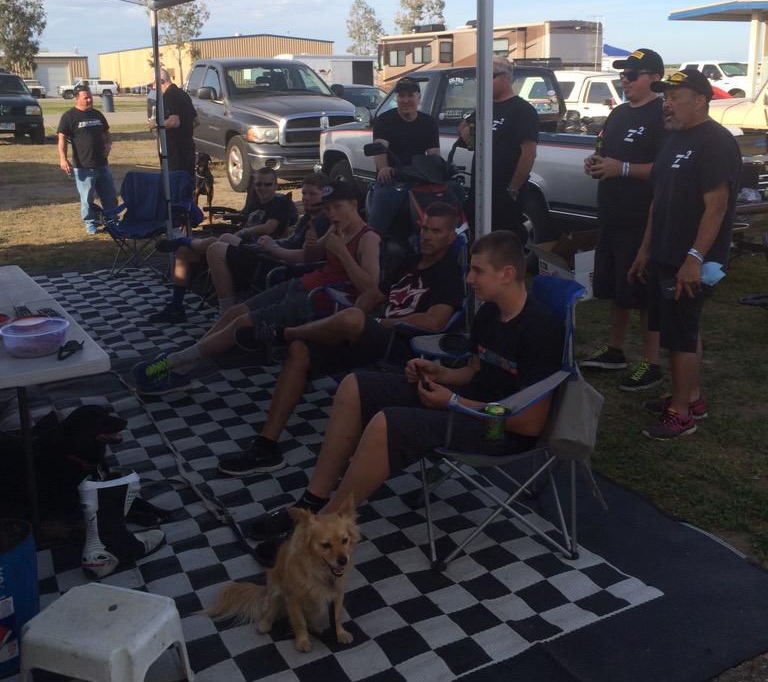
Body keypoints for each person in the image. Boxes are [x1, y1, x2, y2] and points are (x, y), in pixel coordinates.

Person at [248, 230, 563, 565]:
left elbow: (528, 423)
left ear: (508, 274)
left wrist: (453, 402)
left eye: (477, 271)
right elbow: (473, 372)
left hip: (500, 430)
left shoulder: (541, 329)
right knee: (357, 386)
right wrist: (439, 372)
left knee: (390, 424)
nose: (469, 278)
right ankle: (314, 499)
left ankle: (321, 530)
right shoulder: (488, 313)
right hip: (469, 405)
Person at [216, 202, 466, 476]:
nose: (427, 236)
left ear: (451, 236)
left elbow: (435, 321)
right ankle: (266, 446)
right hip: (368, 335)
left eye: (437, 231)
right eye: (425, 229)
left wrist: (374, 321)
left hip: (401, 347)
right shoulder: (410, 262)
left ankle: (280, 333)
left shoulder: (449, 274)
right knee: (300, 350)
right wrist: (353, 314)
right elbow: (375, 294)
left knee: (351, 319)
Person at [134, 180, 381, 394]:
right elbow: (309, 256)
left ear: (354, 204)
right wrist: (311, 243)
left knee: (243, 323)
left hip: (320, 300)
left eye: (338, 207)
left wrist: (342, 254)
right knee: (235, 312)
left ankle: (177, 362)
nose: (333, 213)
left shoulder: (368, 238)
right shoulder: (336, 229)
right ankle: (185, 363)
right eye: (328, 208)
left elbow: (370, 288)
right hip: (301, 283)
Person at [628, 69, 742, 440]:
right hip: (664, 253)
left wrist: (694, 258)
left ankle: (681, 415)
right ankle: (690, 397)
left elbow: (717, 208)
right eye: (665, 96)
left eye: (676, 96)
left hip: (693, 260)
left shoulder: (715, 142)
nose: (667, 103)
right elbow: (658, 200)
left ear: (701, 100)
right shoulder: (673, 140)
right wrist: (645, 248)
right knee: (679, 328)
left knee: (680, 333)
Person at [580, 48, 666, 391]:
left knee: (643, 290)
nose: (625, 81)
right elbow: (605, 153)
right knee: (618, 286)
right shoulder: (617, 114)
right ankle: (615, 350)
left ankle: (652, 362)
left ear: (654, 78)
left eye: (633, 75)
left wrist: (623, 168)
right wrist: (595, 162)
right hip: (612, 213)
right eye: (623, 75)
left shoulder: (663, 115)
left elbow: (667, 170)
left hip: (641, 217)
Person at [147, 166, 295, 323]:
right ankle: (176, 307)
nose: (262, 188)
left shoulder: (280, 203)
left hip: (257, 255)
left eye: (267, 184)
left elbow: (269, 227)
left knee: (217, 240)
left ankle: (179, 240)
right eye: (258, 184)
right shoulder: (256, 204)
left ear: (276, 184)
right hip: (237, 248)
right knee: (184, 252)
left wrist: (242, 233)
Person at [207, 172, 332, 308]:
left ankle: (226, 309)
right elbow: (293, 241)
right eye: (303, 193)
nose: (306, 198)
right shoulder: (309, 217)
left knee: (215, 250)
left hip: (279, 266)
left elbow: (305, 256)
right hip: (269, 255)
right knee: (225, 238)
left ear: (326, 197)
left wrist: (274, 247)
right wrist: (276, 243)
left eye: (312, 194)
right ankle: (236, 295)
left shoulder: (323, 223)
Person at [459, 57, 538, 246]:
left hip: (505, 191)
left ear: (506, 78)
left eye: (490, 76)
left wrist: (512, 189)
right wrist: (468, 135)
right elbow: (464, 127)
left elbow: (528, 153)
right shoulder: (486, 107)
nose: (484, 82)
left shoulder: (523, 110)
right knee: (478, 241)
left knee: (503, 244)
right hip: (480, 188)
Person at [367, 78, 441, 232]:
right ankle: (374, 246)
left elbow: (434, 153)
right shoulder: (384, 120)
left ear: (418, 98)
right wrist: (384, 168)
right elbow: (380, 147)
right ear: (397, 98)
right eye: (401, 96)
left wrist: (441, 170)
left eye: (410, 96)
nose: (405, 100)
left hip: (420, 178)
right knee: (378, 222)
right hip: (393, 179)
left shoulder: (429, 122)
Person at [57, 82, 118, 235]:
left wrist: (108, 145)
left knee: (109, 195)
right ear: (77, 98)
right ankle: (91, 223)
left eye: (90, 97)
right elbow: (62, 139)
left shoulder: (97, 114)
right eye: (86, 98)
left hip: (102, 165)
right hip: (83, 166)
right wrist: (63, 159)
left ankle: (112, 221)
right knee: (87, 198)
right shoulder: (69, 117)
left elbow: (107, 133)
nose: (89, 100)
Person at [148, 68, 197, 179]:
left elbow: (174, 121)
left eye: (153, 85)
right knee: (188, 185)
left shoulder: (168, 96)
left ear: (161, 81)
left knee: (174, 186)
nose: (153, 88)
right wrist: (186, 132)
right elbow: (196, 121)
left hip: (175, 153)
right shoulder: (183, 94)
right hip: (189, 149)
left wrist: (155, 124)